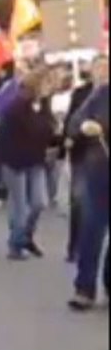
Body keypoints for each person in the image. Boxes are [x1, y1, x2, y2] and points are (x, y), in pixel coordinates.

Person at [0, 66, 58, 260]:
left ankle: (25, 237)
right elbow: (35, 131)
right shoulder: (17, 106)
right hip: (15, 161)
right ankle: (15, 245)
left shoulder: (43, 105)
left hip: (35, 160)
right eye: (48, 83)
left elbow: (49, 130)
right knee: (20, 206)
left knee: (39, 202)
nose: (51, 86)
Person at [67, 56, 109, 312]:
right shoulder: (102, 94)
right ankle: (84, 288)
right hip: (100, 170)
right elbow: (74, 123)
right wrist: (84, 125)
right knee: (92, 228)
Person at [63, 64, 97, 263]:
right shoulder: (81, 93)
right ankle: (74, 247)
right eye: (98, 67)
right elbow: (72, 119)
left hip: (104, 156)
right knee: (79, 202)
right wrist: (70, 136)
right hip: (83, 155)